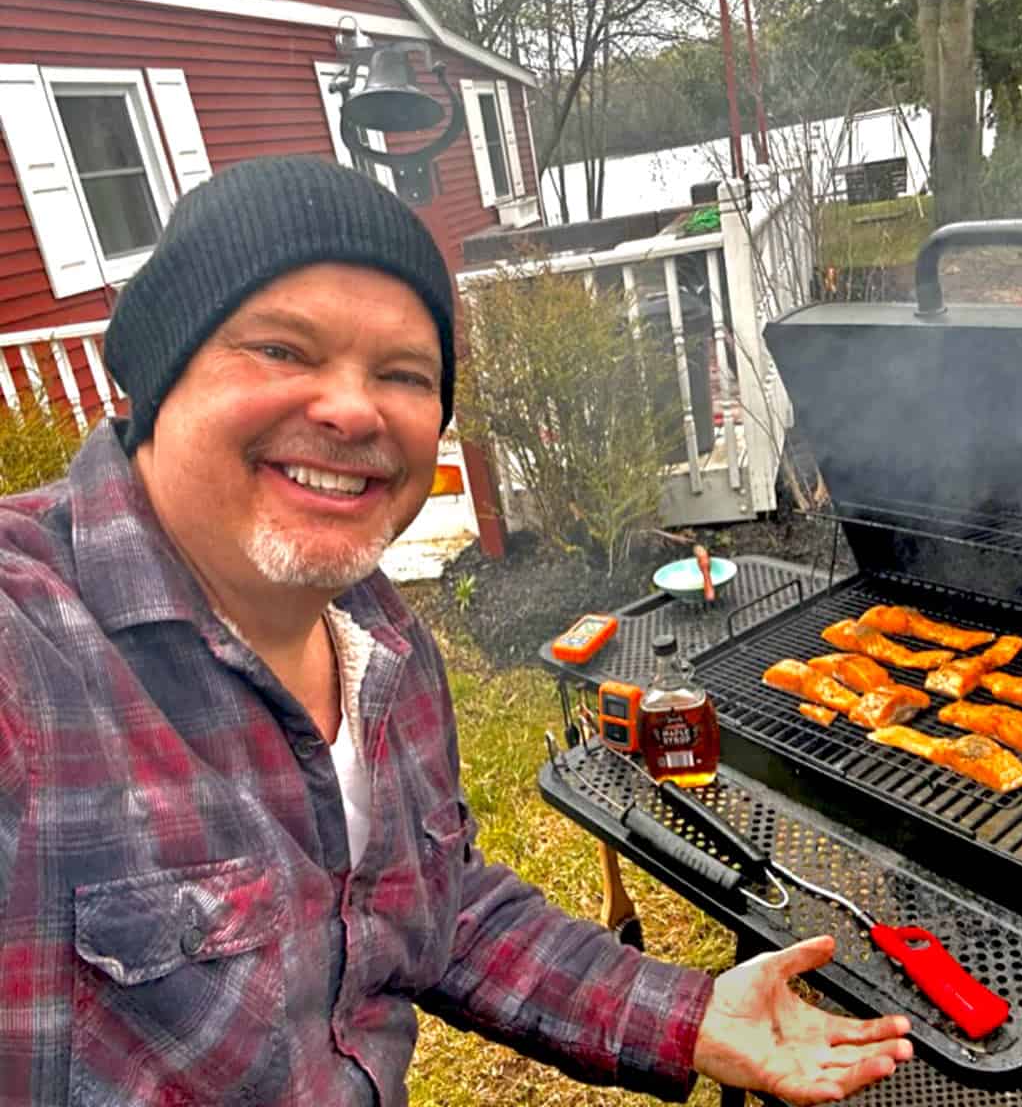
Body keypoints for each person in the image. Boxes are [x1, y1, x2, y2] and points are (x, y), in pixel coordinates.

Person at [0, 156, 912, 1105]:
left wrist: (683, 1016)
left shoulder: (379, 639)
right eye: (281, 349)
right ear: (156, 377)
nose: (353, 409)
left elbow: (431, 906)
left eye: (401, 372)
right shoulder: (31, 647)